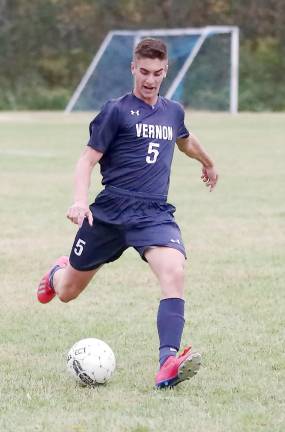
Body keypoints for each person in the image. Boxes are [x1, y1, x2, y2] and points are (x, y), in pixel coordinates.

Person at [37, 38, 218, 389]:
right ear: (133, 68)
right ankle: (56, 273)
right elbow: (87, 159)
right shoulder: (115, 111)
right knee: (68, 291)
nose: (150, 80)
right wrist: (79, 200)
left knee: (174, 271)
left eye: (158, 73)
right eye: (144, 72)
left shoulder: (172, 111)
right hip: (109, 212)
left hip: (153, 213)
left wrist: (208, 162)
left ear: (166, 71)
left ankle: (168, 361)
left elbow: (184, 139)